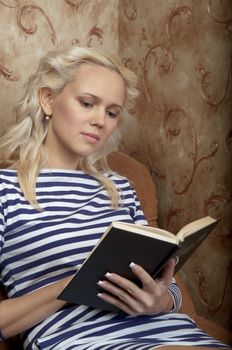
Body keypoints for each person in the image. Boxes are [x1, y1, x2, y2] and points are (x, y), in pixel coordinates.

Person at [0, 46, 229, 350]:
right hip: (82, 340)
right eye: (86, 103)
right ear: (48, 99)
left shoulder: (122, 187)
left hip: (171, 333)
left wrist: (159, 301)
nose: (100, 121)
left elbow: (169, 288)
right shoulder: (5, 190)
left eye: (111, 112)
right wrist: (73, 285)